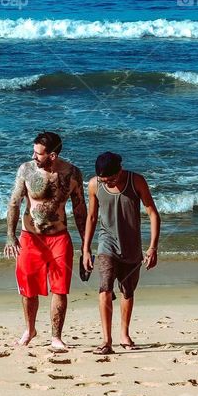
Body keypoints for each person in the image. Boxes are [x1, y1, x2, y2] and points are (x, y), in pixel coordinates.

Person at [4, 131, 87, 351]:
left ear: (52, 155)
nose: (33, 156)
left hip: (59, 238)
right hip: (30, 238)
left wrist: (85, 245)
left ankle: (56, 337)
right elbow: (14, 203)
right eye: (33, 151)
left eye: (38, 153)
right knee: (28, 289)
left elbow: (80, 209)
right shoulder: (26, 170)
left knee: (60, 289)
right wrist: (11, 236)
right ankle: (30, 329)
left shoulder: (72, 173)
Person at [81, 151, 160, 354]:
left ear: (120, 170)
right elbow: (91, 217)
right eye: (104, 180)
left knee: (127, 291)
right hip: (106, 243)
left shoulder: (136, 181)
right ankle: (106, 341)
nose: (107, 183)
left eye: (111, 179)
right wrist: (86, 249)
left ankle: (124, 335)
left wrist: (153, 247)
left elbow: (153, 213)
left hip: (132, 246)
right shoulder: (94, 185)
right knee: (105, 288)